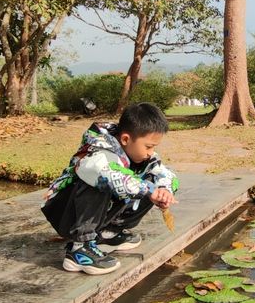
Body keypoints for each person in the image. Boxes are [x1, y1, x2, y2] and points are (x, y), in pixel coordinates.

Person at [42, 101, 178, 275]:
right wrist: (149, 190)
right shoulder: (97, 149)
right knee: (103, 181)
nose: (151, 152)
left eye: (154, 147)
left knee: (151, 180)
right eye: (149, 146)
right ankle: (79, 249)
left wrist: (164, 190)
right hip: (66, 213)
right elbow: (105, 172)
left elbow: (166, 174)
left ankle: (108, 233)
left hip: (97, 214)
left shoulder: (140, 154)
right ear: (126, 139)